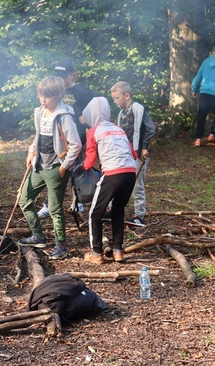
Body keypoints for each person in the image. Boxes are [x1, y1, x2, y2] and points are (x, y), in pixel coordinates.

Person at [17, 76, 82, 259]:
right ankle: (38, 235)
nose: (43, 100)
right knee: (24, 199)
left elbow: (76, 145)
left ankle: (61, 246)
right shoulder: (39, 112)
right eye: (40, 96)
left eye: (47, 97)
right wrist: (31, 151)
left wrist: (65, 167)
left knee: (54, 209)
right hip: (39, 166)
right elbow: (38, 136)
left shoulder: (64, 117)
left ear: (59, 95)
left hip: (55, 168)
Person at [80, 97, 137, 264]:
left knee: (94, 213)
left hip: (112, 174)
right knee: (118, 210)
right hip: (130, 173)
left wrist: (79, 168)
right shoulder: (119, 129)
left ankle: (96, 253)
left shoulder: (93, 131)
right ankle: (118, 251)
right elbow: (133, 154)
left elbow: (90, 161)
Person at [37, 59, 96, 219]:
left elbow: (94, 114)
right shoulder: (51, 90)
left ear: (72, 75)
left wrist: (89, 136)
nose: (59, 78)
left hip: (76, 140)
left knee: (76, 172)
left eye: (62, 76)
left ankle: (77, 203)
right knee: (53, 172)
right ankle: (49, 205)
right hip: (54, 140)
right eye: (56, 75)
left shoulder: (84, 93)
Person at [110, 81, 156, 227]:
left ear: (127, 95)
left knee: (137, 184)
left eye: (117, 98)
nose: (115, 101)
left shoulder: (138, 109)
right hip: (124, 153)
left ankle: (139, 215)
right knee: (118, 181)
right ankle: (113, 208)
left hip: (138, 153)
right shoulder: (122, 113)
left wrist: (143, 147)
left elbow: (150, 128)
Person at [191, 43, 215, 147]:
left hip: (204, 92)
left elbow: (197, 78)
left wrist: (194, 89)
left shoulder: (205, 62)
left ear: (213, 52)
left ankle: (198, 140)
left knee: (201, 116)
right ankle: (212, 135)